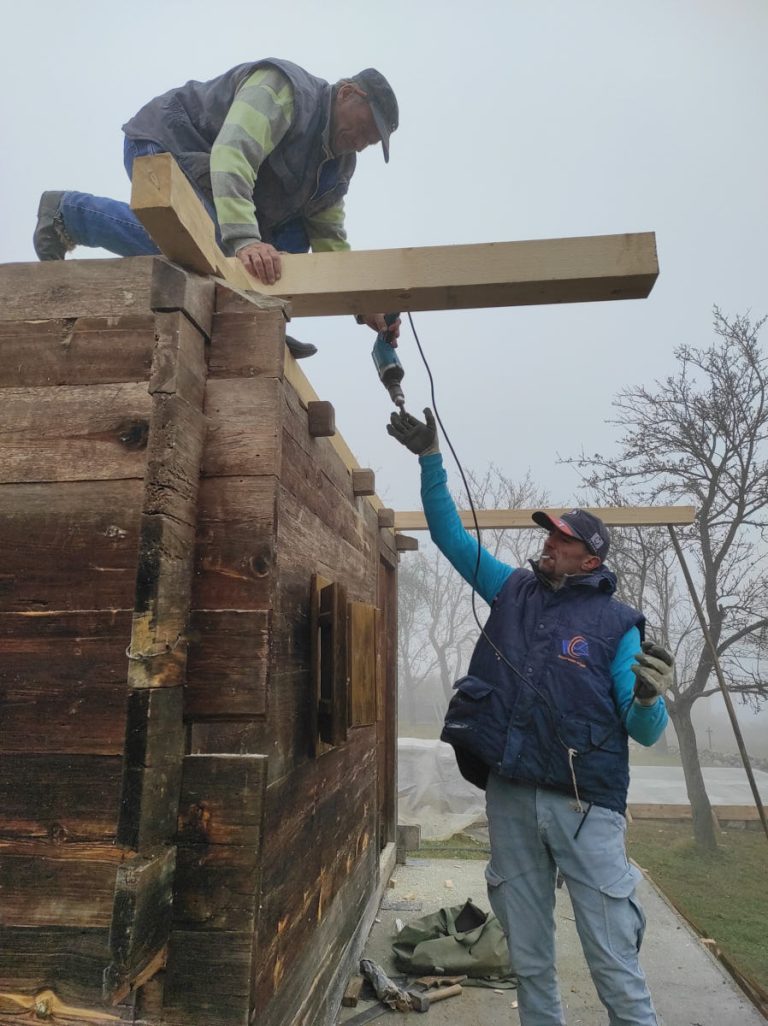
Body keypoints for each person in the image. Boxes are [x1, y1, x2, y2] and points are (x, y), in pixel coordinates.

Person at [387, 408, 674, 1026]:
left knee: (612, 960)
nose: (549, 542)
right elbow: (449, 537)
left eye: (563, 539)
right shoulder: (510, 589)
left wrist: (650, 699)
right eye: (549, 534)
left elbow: (644, 731)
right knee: (530, 957)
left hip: (584, 807)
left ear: (589, 559)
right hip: (512, 794)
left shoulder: (618, 625)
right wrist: (430, 459)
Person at [33, 58, 400, 353]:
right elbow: (233, 155)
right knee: (204, 249)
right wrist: (245, 241)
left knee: (293, 235)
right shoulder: (283, 89)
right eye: (366, 129)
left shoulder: (337, 165)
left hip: (217, 183)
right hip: (168, 145)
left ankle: (260, 315)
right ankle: (68, 213)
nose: (362, 144)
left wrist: (363, 300)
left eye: (371, 142)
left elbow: (329, 237)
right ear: (348, 94)